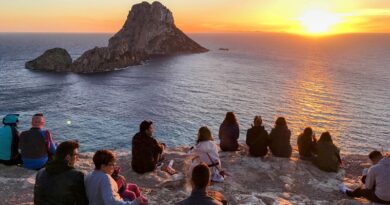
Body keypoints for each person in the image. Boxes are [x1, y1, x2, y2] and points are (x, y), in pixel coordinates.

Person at [34, 141, 88, 205]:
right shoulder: (76, 176)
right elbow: (82, 202)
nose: (77, 158)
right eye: (76, 155)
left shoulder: (41, 172)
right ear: (68, 157)